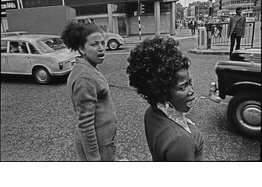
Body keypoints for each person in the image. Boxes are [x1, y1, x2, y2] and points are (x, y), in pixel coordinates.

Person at [126, 36, 205, 161]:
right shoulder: (180, 141)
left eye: (190, 82)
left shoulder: (151, 112)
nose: (192, 91)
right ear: (162, 93)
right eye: (182, 88)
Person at [61, 22, 118, 161]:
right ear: (81, 48)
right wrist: (94, 159)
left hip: (104, 141)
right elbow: (85, 124)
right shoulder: (84, 77)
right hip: (98, 146)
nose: (101, 48)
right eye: (94, 44)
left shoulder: (88, 68)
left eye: (102, 43)